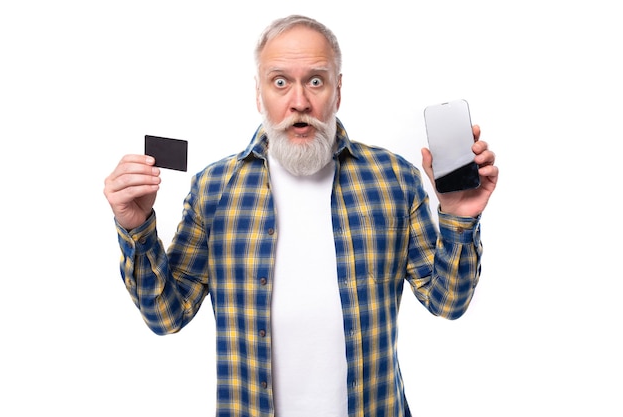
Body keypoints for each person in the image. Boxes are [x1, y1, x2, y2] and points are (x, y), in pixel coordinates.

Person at [103, 14, 498, 417]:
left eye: (315, 80)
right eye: (280, 82)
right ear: (259, 94)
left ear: (337, 91)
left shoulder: (394, 179)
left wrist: (458, 218)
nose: (300, 102)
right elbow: (166, 314)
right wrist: (135, 229)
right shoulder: (214, 188)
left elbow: (448, 302)